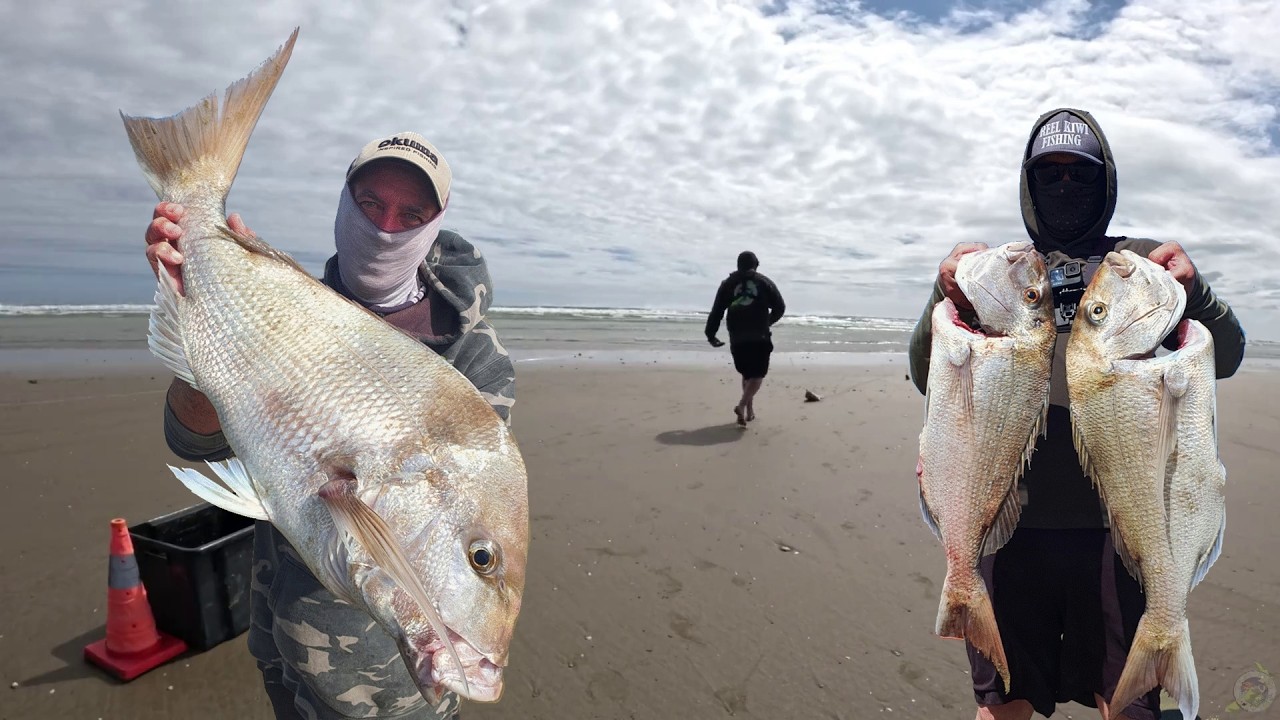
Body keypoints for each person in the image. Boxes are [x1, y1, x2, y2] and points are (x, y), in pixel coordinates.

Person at [144, 132, 516, 720]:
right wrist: (199, 304)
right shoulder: (288, 298)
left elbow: (446, 504)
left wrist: (435, 617)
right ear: (343, 205)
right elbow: (193, 441)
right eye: (370, 204)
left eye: (411, 213)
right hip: (275, 626)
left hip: (375, 682)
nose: (386, 225)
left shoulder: (475, 359)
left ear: (434, 224)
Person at [907, 108, 1246, 720]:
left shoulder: (1141, 267)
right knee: (1002, 706)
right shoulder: (998, 272)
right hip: (1006, 530)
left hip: (1122, 536)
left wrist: (1200, 296)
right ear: (1028, 185)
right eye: (1050, 175)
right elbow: (923, 371)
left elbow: (1226, 357)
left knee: (1126, 706)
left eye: (1080, 175)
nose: (1065, 187)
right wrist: (942, 293)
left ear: (1107, 181)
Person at [705, 250, 786, 426]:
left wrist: (711, 334)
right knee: (758, 375)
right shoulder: (764, 282)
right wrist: (767, 322)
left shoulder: (728, 284)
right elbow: (780, 307)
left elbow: (717, 311)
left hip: (737, 336)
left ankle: (749, 411)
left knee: (747, 373)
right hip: (759, 335)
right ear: (756, 265)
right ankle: (742, 405)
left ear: (738, 266)